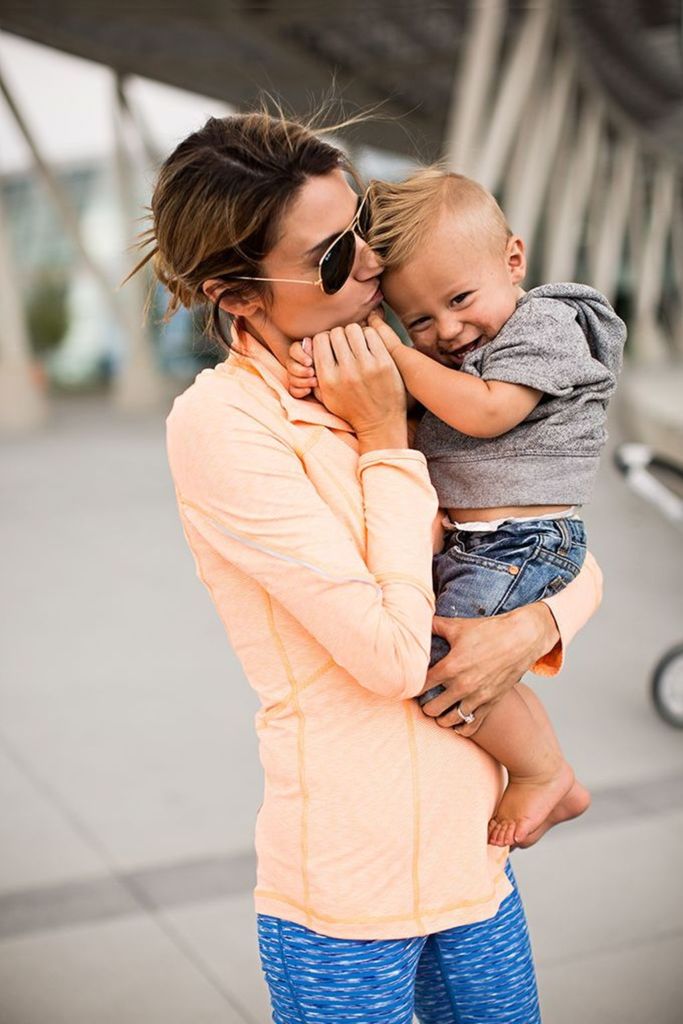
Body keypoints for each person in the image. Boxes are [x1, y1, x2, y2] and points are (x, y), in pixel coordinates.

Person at [128, 111, 603, 1024]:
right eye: (333, 257)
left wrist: (533, 626)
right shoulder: (229, 425)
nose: (374, 266)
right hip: (349, 896)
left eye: (363, 231)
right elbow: (390, 658)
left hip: (475, 860)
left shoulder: (414, 361)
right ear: (238, 295)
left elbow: (558, 542)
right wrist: (385, 438)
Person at [287, 167, 624, 850]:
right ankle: (545, 771)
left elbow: (486, 413)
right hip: (491, 542)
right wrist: (328, 372)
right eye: (417, 320)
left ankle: (542, 772)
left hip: (526, 539)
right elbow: (412, 413)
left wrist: (397, 354)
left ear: (513, 260)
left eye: (460, 299)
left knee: (437, 662)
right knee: (453, 660)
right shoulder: (463, 351)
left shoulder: (545, 324)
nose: (447, 329)